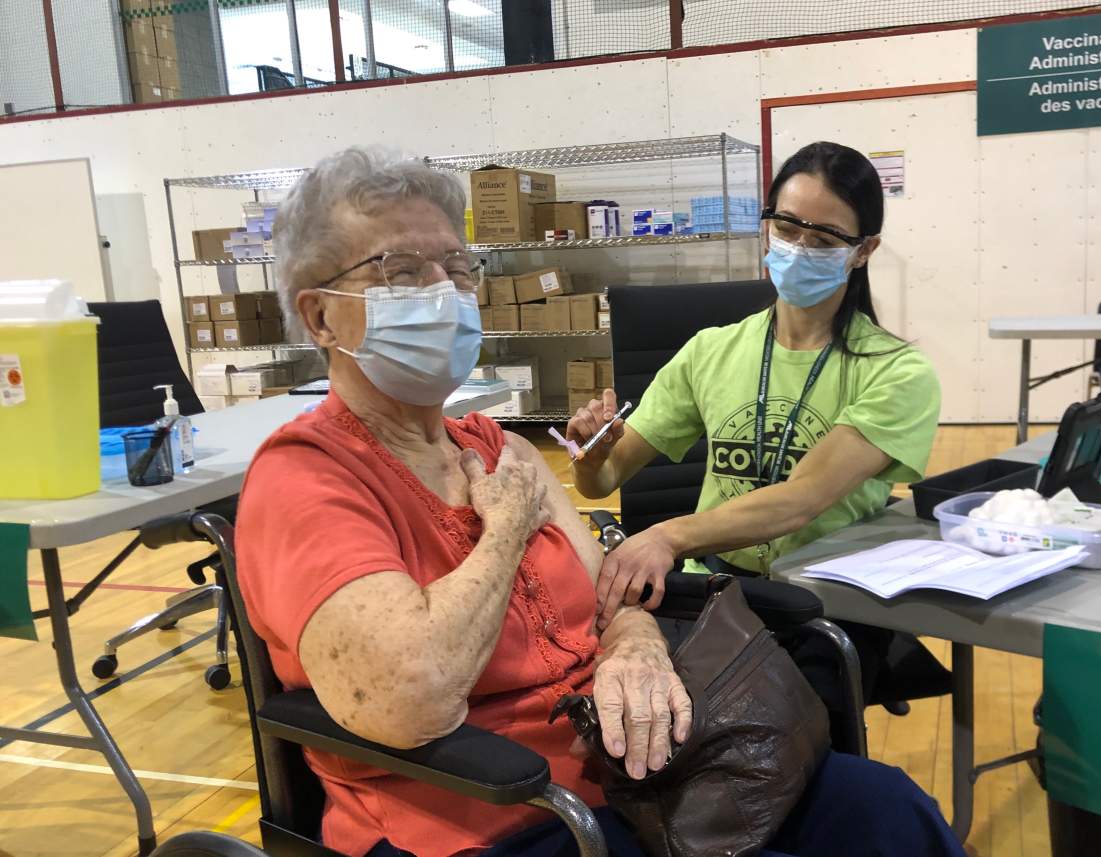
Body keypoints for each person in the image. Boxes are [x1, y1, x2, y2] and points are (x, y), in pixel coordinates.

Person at [235, 146, 964, 857]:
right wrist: (510, 529)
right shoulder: (310, 477)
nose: (444, 290)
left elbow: (609, 595)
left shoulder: (499, 447)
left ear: (862, 250)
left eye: (457, 267)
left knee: (888, 809)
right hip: (503, 809)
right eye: (401, 271)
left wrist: (635, 643)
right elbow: (406, 696)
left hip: (634, 768)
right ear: (322, 318)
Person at [569, 142, 941, 633]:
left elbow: (802, 498)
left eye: (825, 239)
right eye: (785, 229)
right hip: (714, 598)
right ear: (766, 227)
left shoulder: (896, 372)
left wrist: (668, 537)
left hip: (826, 609)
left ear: (863, 250)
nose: (798, 249)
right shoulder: (710, 352)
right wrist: (592, 455)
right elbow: (603, 481)